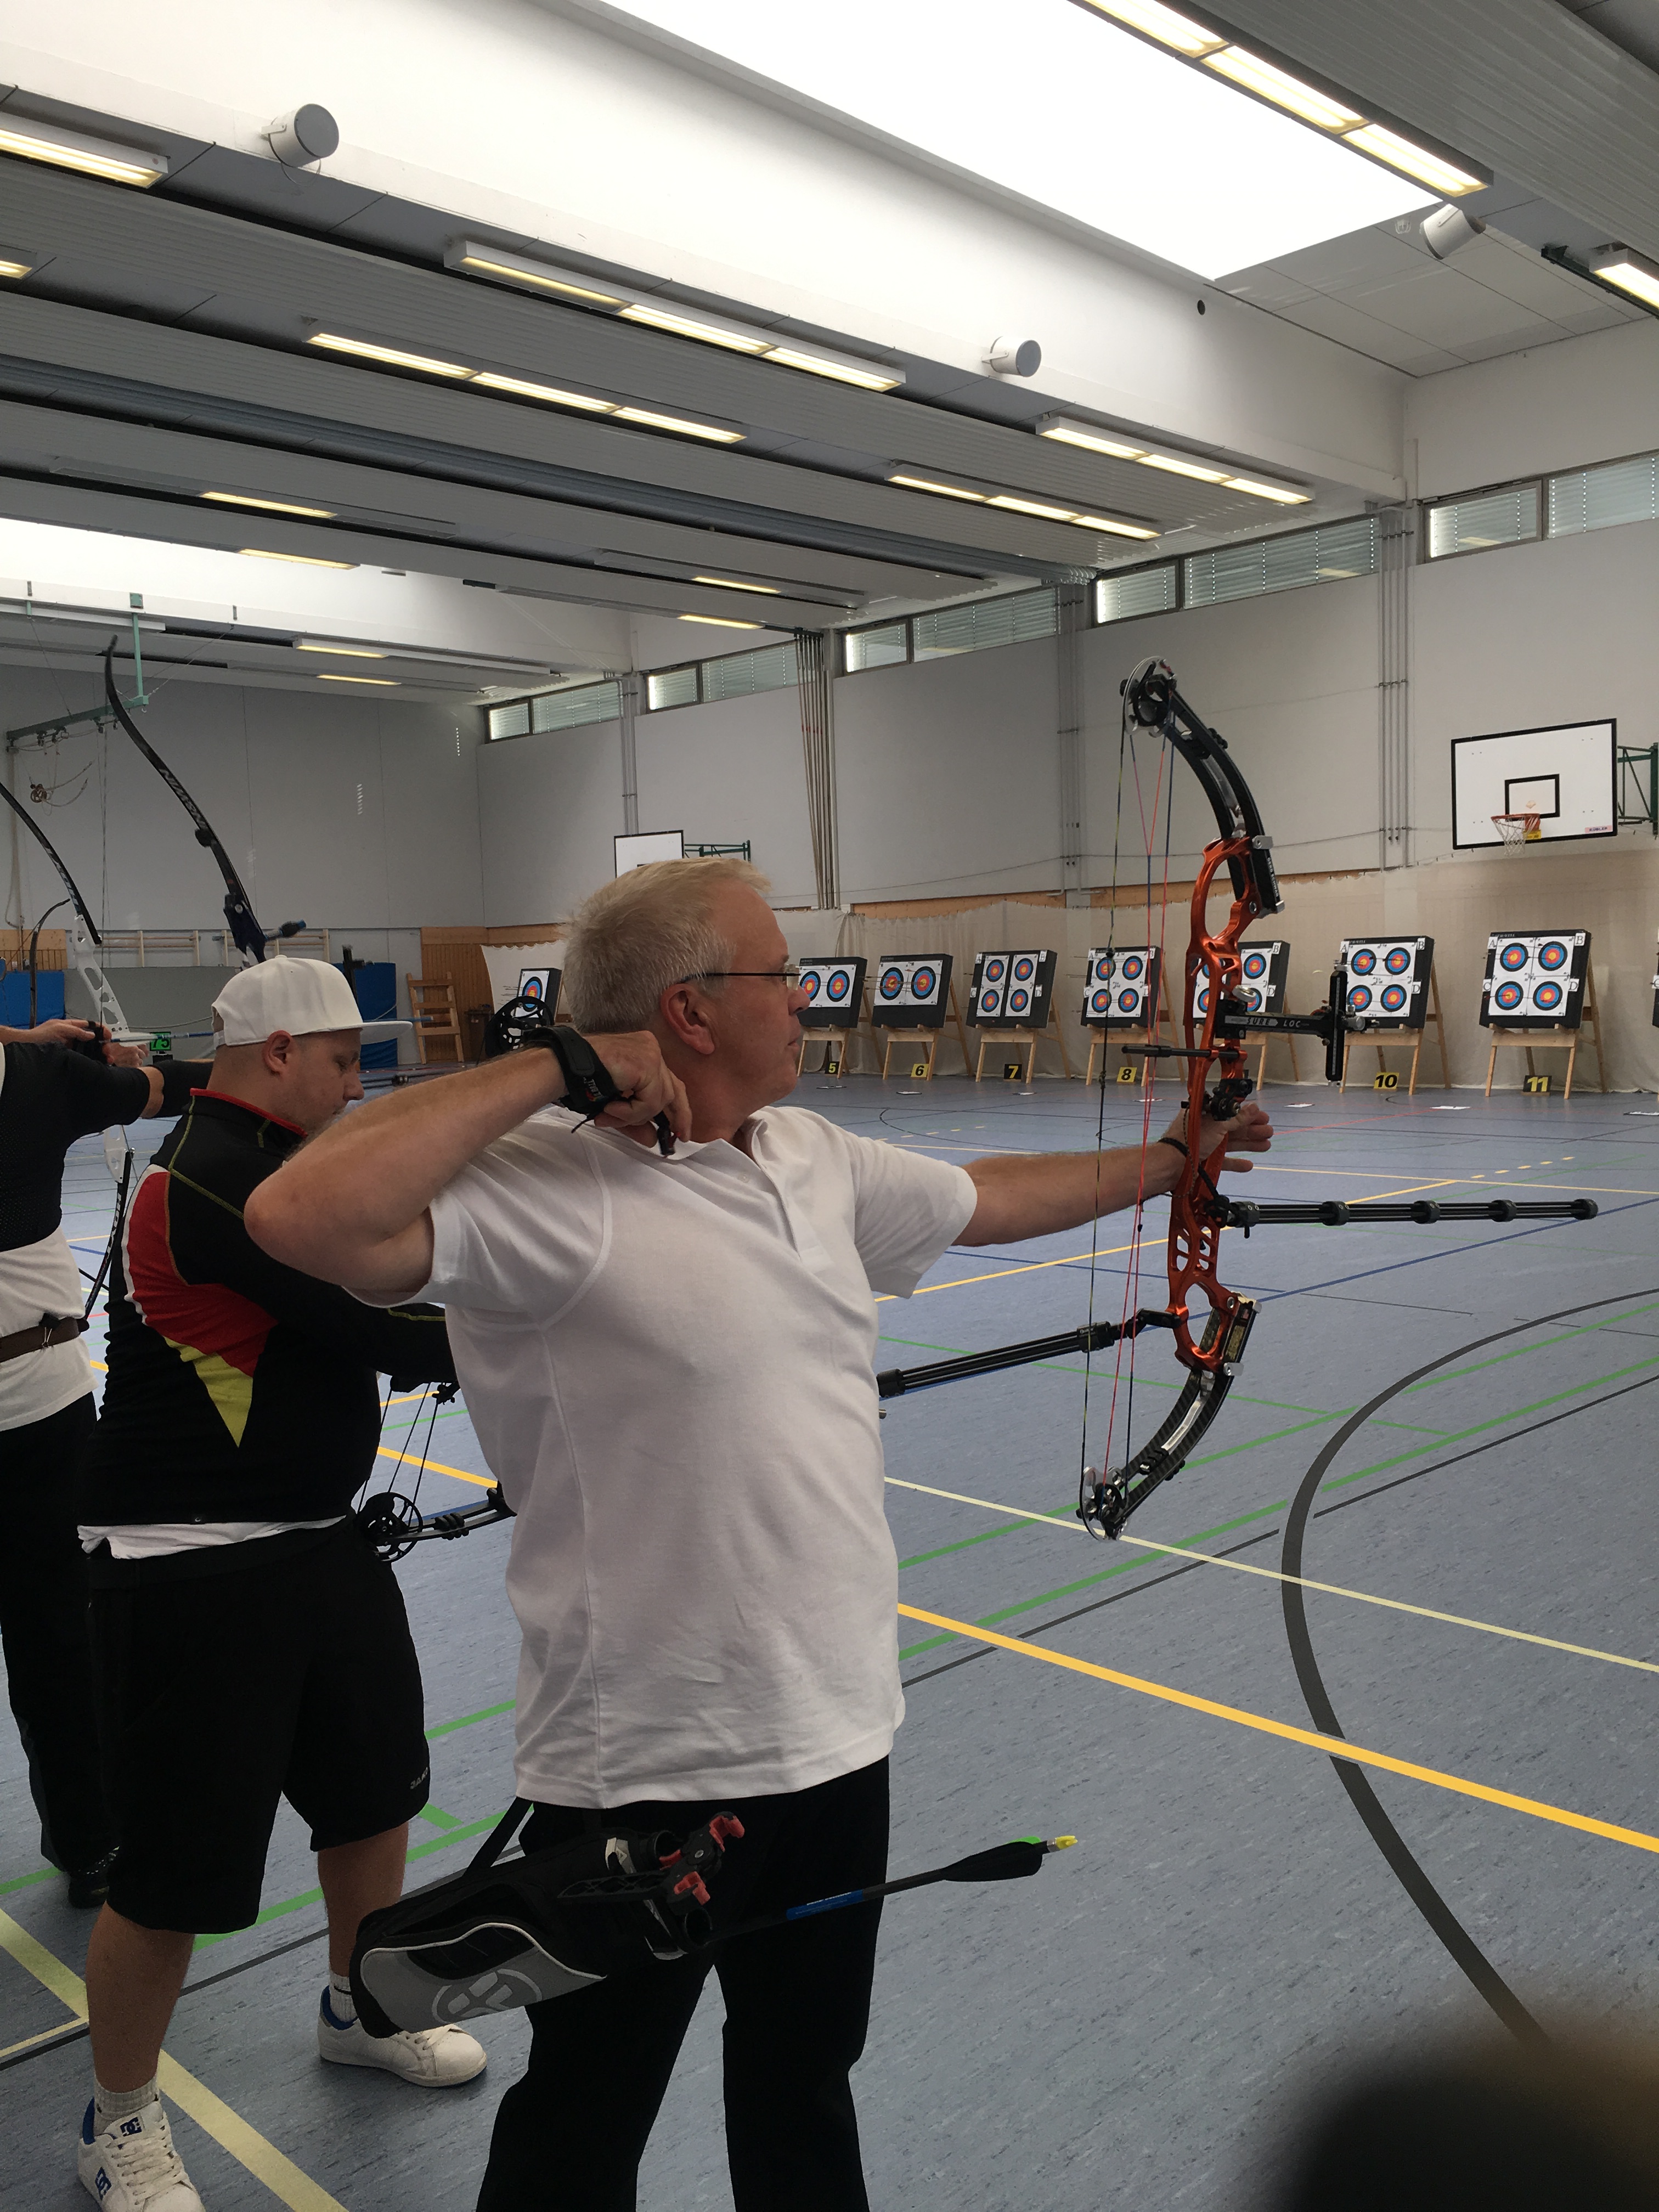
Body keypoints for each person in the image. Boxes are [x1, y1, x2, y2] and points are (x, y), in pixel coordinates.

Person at [246, 859, 1273, 2211]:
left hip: (838, 1738)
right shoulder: (543, 1186)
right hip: (648, 1769)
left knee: (804, 2086)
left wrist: (1176, 1157)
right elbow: (296, 1214)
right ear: (687, 1011)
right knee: (583, 2128)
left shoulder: (809, 1157)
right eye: (781, 975)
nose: (807, 998)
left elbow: (989, 1197)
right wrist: (557, 1064)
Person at [74, 958, 486, 2212]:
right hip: (189, 1564)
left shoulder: (285, 1163)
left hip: (317, 1541)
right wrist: (545, 1314)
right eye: (344, 1061)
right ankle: (116, 2118)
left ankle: (360, 2009)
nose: (359, 1084)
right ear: (277, 1055)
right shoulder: (216, 1180)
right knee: (171, 1873)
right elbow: (389, 1325)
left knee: (373, 1796)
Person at [0, 1013, 186, 1909]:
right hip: (37, 1409)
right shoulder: (42, 1082)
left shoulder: (38, 1073)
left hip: (37, 1410)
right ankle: (91, 1839)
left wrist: (33, 1040)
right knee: (58, 1639)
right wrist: (107, 1063)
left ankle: (91, 1833)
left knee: (62, 1639)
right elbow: (160, 1087)